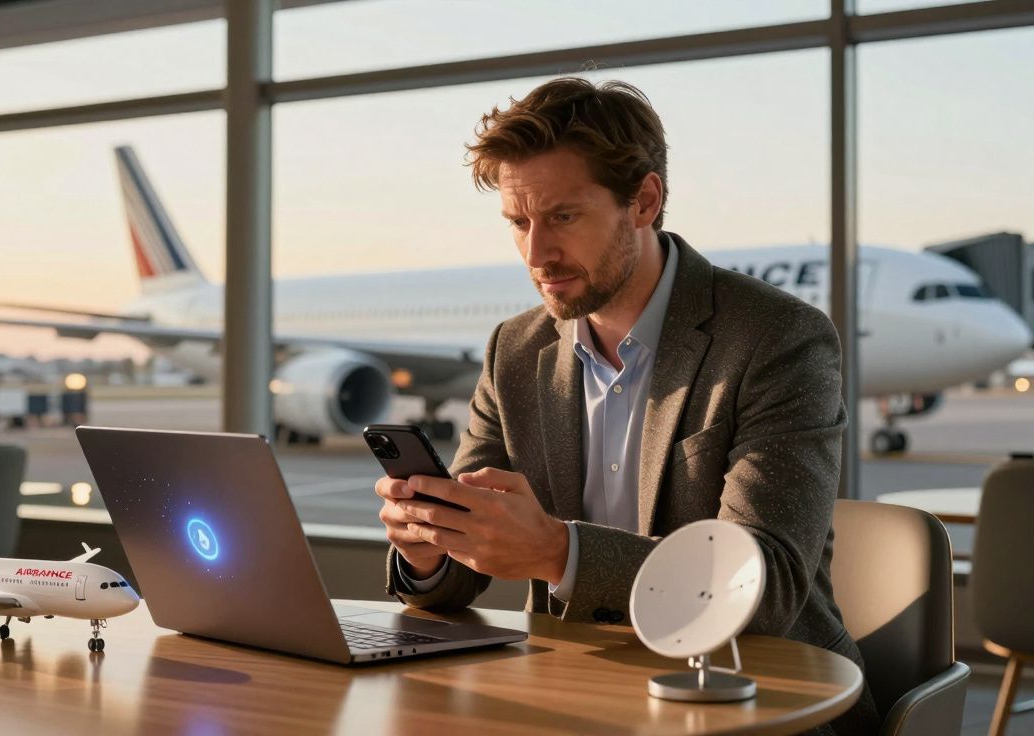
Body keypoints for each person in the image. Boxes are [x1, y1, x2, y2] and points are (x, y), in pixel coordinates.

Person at [374, 77, 879, 733]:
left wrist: (561, 554)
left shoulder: (776, 339)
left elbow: (764, 587)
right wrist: (429, 545)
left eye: (562, 217)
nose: (536, 253)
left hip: (759, 701)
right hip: (573, 698)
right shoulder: (516, 350)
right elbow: (459, 577)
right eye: (519, 222)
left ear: (644, 201)